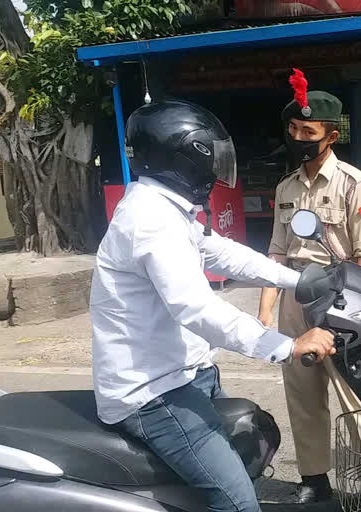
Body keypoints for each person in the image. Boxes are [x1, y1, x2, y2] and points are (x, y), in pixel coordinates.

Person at [90, 99, 336, 512]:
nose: (216, 168)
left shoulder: (170, 209)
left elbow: (220, 252)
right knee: (238, 504)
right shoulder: (151, 221)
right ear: (184, 157)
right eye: (210, 155)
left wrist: (297, 280)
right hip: (155, 394)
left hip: (188, 374)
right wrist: (285, 346)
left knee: (254, 443)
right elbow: (196, 308)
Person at [258, 69, 361, 503]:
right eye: (293, 129)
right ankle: (315, 481)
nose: (299, 137)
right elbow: (276, 251)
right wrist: (266, 310)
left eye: (308, 131)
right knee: (302, 394)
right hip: (295, 299)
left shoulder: (355, 183)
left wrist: (345, 311)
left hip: (338, 301)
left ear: (331, 135)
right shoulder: (286, 186)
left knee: (353, 399)